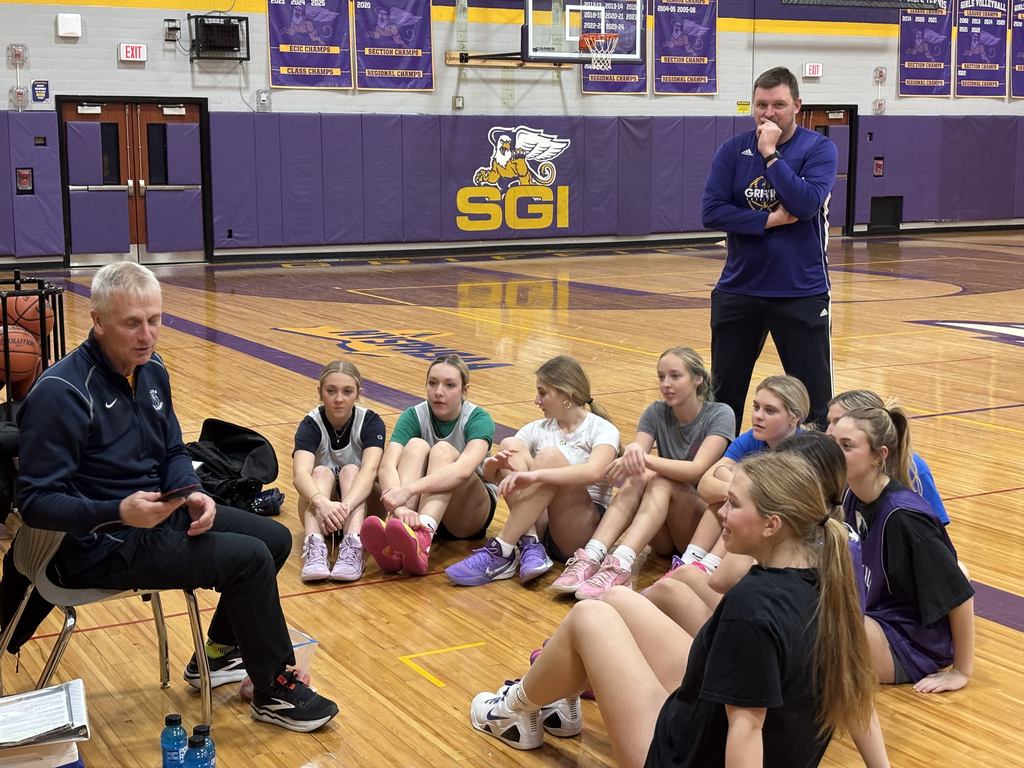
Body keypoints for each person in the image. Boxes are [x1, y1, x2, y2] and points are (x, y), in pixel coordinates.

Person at [14, 262, 337, 732]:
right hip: (96, 546)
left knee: (273, 539)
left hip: (156, 517)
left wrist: (193, 491)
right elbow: (35, 503)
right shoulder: (61, 393)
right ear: (98, 320)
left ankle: (221, 653)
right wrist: (117, 511)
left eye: (155, 320)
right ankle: (273, 690)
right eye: (132, 323)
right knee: (248, 560)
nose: (147, 335)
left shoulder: (152, 369)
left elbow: (171, 450)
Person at [469, 451, 889, 768]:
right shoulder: (831, 580)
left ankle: (513, 710)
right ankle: (557, 698)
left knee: (589, 615)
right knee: (617, 599)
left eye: (733, 504)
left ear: (772, 525)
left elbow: (746, 729)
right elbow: (857, 695)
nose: (720, 512)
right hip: (709, 726)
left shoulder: (752, 604)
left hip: (684, 756)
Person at [701, 66, 838, 430]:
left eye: (778, 105)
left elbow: (805, 203)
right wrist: (768, 221)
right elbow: (712, 211)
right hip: (739, 288)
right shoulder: (732, 150)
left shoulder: (819, 149)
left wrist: (771, 155)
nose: (768, 113)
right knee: (723, 397)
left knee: (813, 401)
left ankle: (813, 465)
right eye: (761, 105)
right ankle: (719, 463)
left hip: (801, 290)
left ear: (797, 105)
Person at [550, 347, 734, 601]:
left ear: (698, 378)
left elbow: (696, 470)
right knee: (642, 475)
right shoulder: (656, 411)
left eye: (675, 376)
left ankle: (621, 563)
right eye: (661, 377)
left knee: (658, 478)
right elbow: (636, 460)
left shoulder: (720, 414)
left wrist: (642, 458)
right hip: (662, 534)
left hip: (697, 528)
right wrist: (630, 458)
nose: (666, 384)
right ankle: (593, 555)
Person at [646, 431, 851, 636]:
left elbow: (723, 581)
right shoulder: (826, 526)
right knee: (682, 576)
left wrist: (740, 496)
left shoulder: (785, 538)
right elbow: (706, 485)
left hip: (760, 626)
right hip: (770, 623)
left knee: (663, 593)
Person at [832, 406, 975, 693]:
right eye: (833, 443)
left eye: (846, 446)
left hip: (909, 642)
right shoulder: (850, 494)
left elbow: (959, 594)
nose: (834, 454)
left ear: (879, 455)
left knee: (819, 631)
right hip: (875, 616)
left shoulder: (904, 518)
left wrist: (961, 670)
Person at [446, 355, 618, 587]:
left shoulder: (602, 429)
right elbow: (499, 474)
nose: (537, 400)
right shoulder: (536, 428)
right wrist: (492, 468)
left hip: (578, 531)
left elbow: (594, 472)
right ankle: (530, 543)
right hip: (540, 523)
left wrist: (536, 474)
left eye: (542, 393)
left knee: (549, 457)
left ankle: (502, 548)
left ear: (565, 394)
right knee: (509, 445)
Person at [363, 354, 496, 576]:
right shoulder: (413, 415)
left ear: (464, 390)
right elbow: (387, 466)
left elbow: (463, 471)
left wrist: (407, 491)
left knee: (442, 450)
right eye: (432, 383)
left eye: (449, 385)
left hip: (469, 514)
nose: (439, 392)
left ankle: (423, 536)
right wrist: (400, 507)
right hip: (419, 508)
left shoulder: (478, 418)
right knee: (415, 445)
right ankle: (397, 535)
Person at [676, 375, 808, 578]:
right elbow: (704, 486)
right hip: (754, 529)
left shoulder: (805, 450)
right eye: (756, 407)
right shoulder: (752, 438)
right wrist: (738, 489)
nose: (758, 416)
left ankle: (708, 568)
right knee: (726, 499)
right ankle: (689, 562)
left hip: (788, 540)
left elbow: (778, 506)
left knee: (740, 503)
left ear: (794, 417)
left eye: (770, 410)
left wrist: (737, 486)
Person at [292, 360, 386, 582]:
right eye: (331, 391)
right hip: (321, 510)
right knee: (320, 472)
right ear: (320, 392)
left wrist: (345, 506)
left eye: (347, 391)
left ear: (358, 393)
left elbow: (370, 470)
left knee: (352, 470)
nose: (339, 399)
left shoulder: (370, 422)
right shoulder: (310, 424)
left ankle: (353, 544)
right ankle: (315, 547)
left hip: (361, 507)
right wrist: (323, 504)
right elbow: (299, 475)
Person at [825, 389, 949, 524]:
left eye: (838, 421)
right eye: (829, 422)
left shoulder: (913, 468)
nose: (828, 432)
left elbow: (934, 525)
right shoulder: (851, 484)